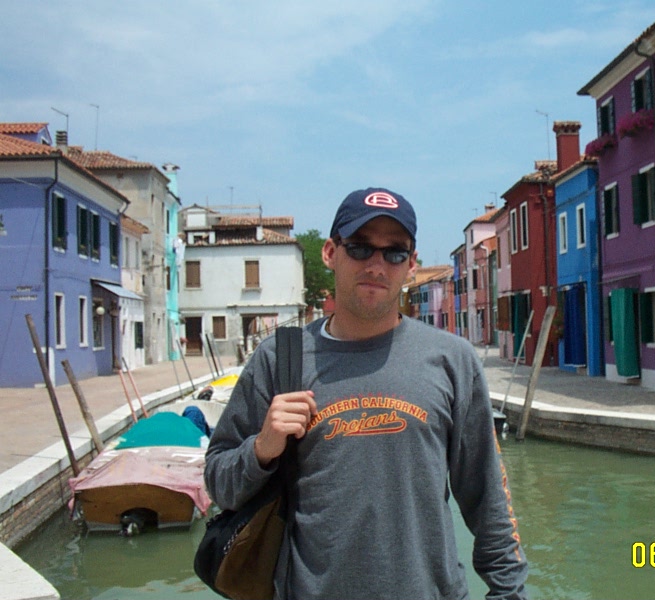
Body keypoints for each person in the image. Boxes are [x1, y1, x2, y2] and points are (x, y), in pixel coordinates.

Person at [205, 187, 529, 600]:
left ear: (411, 264)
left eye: (394, 253)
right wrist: (262, 450)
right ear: (330, 253)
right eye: (359, 248)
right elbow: (218, 482)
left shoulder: (453, 360)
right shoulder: (279, 359)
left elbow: (488, 500)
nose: (377, 265)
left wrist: (509, 593)